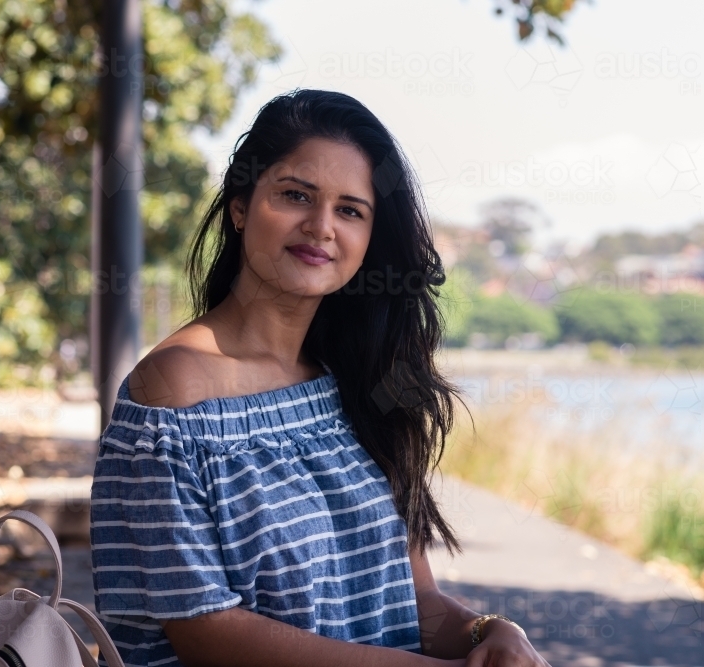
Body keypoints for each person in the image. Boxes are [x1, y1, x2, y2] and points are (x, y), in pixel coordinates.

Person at [89, 88, 550, 667]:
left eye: (350, 210)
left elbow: (415, 601)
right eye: (294, 196)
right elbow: (210, 636)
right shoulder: (173, 392)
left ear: (367, 240)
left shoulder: (356, 382)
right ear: (240, 207)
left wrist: (489, 633)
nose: (321, 226)